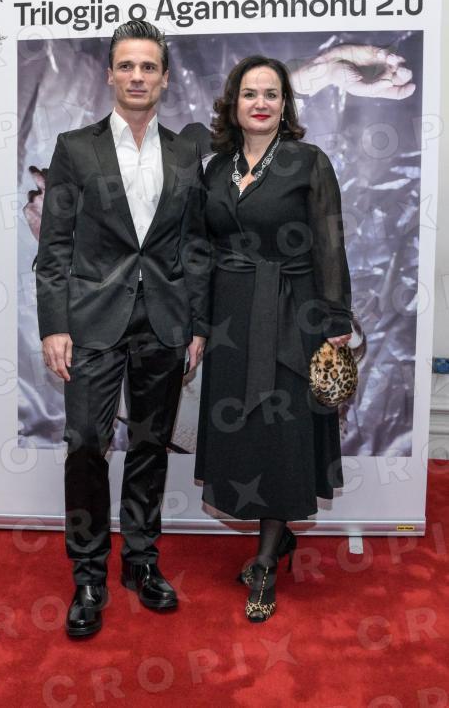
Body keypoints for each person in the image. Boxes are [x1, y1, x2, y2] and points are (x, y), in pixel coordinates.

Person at [36, 20, 209, 638]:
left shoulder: (185, 152)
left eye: (149, 67)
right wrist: (54, 325)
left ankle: (141, 560)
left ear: (164, 78)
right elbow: (54, 247)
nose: (138, 76)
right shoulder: (74, 148)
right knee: (86, 444)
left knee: (150, 444)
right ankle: (88, 574)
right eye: (127, 66)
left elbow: (195, 245)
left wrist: (196, 322)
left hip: (164, 320)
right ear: (110, 74)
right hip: (91, 321)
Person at [195, 55, 353, 622]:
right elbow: (201, 249)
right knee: (243, 430)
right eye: (249, 93)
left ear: (285, 105)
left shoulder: (309, 162)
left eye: (271, 94)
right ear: (233, 104)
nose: (260, 102)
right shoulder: (214, 169)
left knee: (282, 433)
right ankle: (276, 537)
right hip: (231, 318)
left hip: (294, 314)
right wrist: (198, 323)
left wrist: (336, 320)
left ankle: (264, 559)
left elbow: (329, 242)